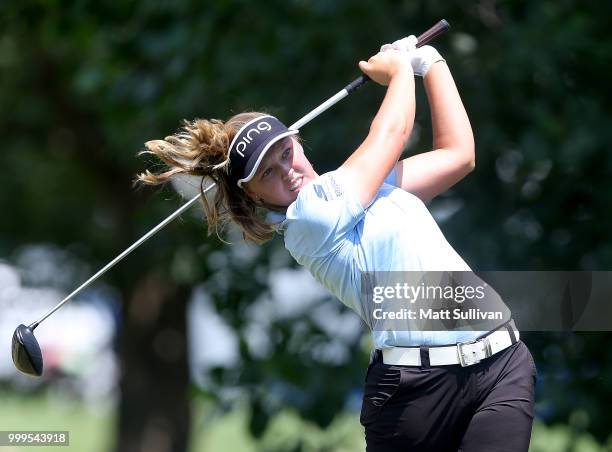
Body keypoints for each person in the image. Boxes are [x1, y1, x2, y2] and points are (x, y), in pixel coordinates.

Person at [137, 36, 537, 452]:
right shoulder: (309, 220)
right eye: (268, 173)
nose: (287, 171)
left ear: (298, 141)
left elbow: (458, 155)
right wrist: (399, 70)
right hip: (417, 395)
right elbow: (394, 131)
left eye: (285, 152)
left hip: (501, 363)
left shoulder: (369, 185)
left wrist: (430, 63)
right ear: (254, 195)